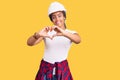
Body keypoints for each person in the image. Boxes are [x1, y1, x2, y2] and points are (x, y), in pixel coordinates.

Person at [27, 1, 81, 80]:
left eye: (59, 16)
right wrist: (38, 35)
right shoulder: (47, 32)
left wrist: (63, 33)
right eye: (54, 17)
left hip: (62, 68)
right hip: (45, 68)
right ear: (51, 19)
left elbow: (78, 40)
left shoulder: (70, 33)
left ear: (64, 17)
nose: (57, 19)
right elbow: (29, 43)